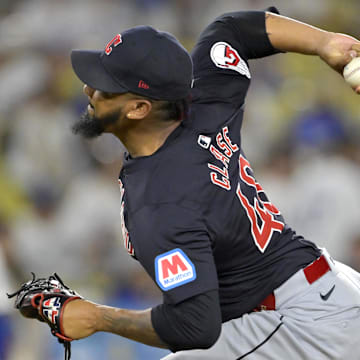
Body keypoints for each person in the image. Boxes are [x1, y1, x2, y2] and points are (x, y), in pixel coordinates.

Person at [39, 7, 360, 359]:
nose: (88, 89)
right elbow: (233, 30)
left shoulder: (163, 203)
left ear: (139, 108)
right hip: (322, 291)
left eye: (105, 88)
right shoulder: (204, 99)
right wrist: (325, 42)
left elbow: (195, 327)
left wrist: (100, 317)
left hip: (302, 324)